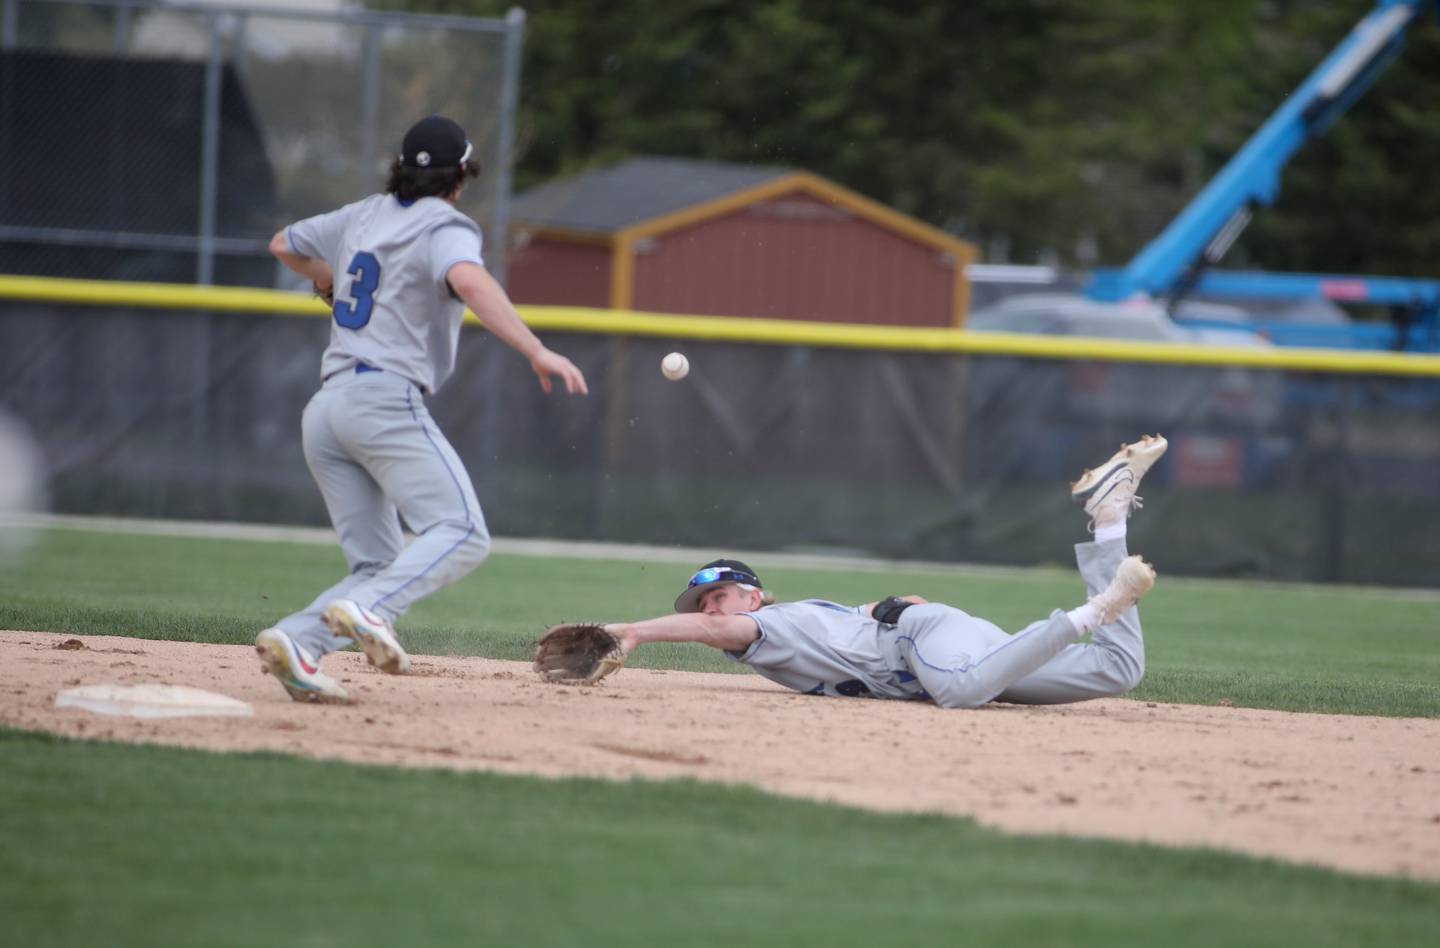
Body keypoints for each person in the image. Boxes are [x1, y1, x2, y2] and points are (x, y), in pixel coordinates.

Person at [255, 115, 589, 704]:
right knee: (462, 531)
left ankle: (298, 643)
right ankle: (369, 610)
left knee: (379, 562)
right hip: (382, 400)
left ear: (401, 168)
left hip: (327, 407)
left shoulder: (364, 213)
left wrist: (331, 285)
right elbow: (469, 279)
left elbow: (284, 244)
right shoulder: (446, 223)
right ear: (461, 177)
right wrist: (535, 348)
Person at [602, 435, 1168, 709]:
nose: (708, 610)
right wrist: (891, 609)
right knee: (1116, 669)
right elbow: (902, 605)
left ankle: (1097, 608)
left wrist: (633, 632)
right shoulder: (806, 622)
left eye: (717, 595)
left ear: (751, 597)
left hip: (930, 652)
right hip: (946, 643)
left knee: (962, 692)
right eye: (701, 603)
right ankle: (1110, 520)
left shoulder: (770, 626)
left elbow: (718, 633)